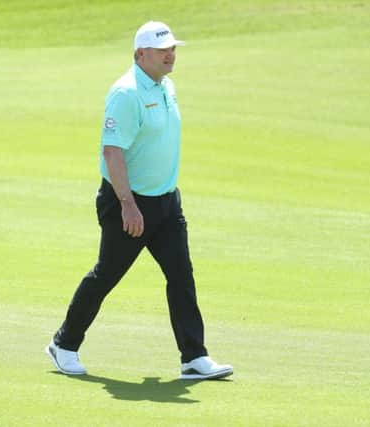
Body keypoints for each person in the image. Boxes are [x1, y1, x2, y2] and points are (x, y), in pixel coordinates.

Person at [46, 21, 233, 380]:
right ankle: (63, 344)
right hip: (128, 203)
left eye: (173, 48)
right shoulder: (126, 93)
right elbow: (112, 151)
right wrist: (128, 204)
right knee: (107, 275)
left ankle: (193, 357)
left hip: (166, 202)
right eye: (163, 49)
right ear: (140, 54)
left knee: (181, 276)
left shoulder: (166, 86)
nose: (171, 54)